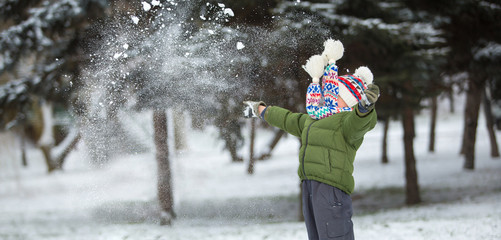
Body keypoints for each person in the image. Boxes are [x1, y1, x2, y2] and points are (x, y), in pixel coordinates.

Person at [243, 40, 380, 240]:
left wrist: (365, 107)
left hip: (331, 189)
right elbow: (288, 119)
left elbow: (360, 123)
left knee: (334, 236)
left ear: (349, 100)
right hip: (309, 185)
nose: (328, 94)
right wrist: (261, 110)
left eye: (336, 93)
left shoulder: (346, 122)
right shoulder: (313, 119)